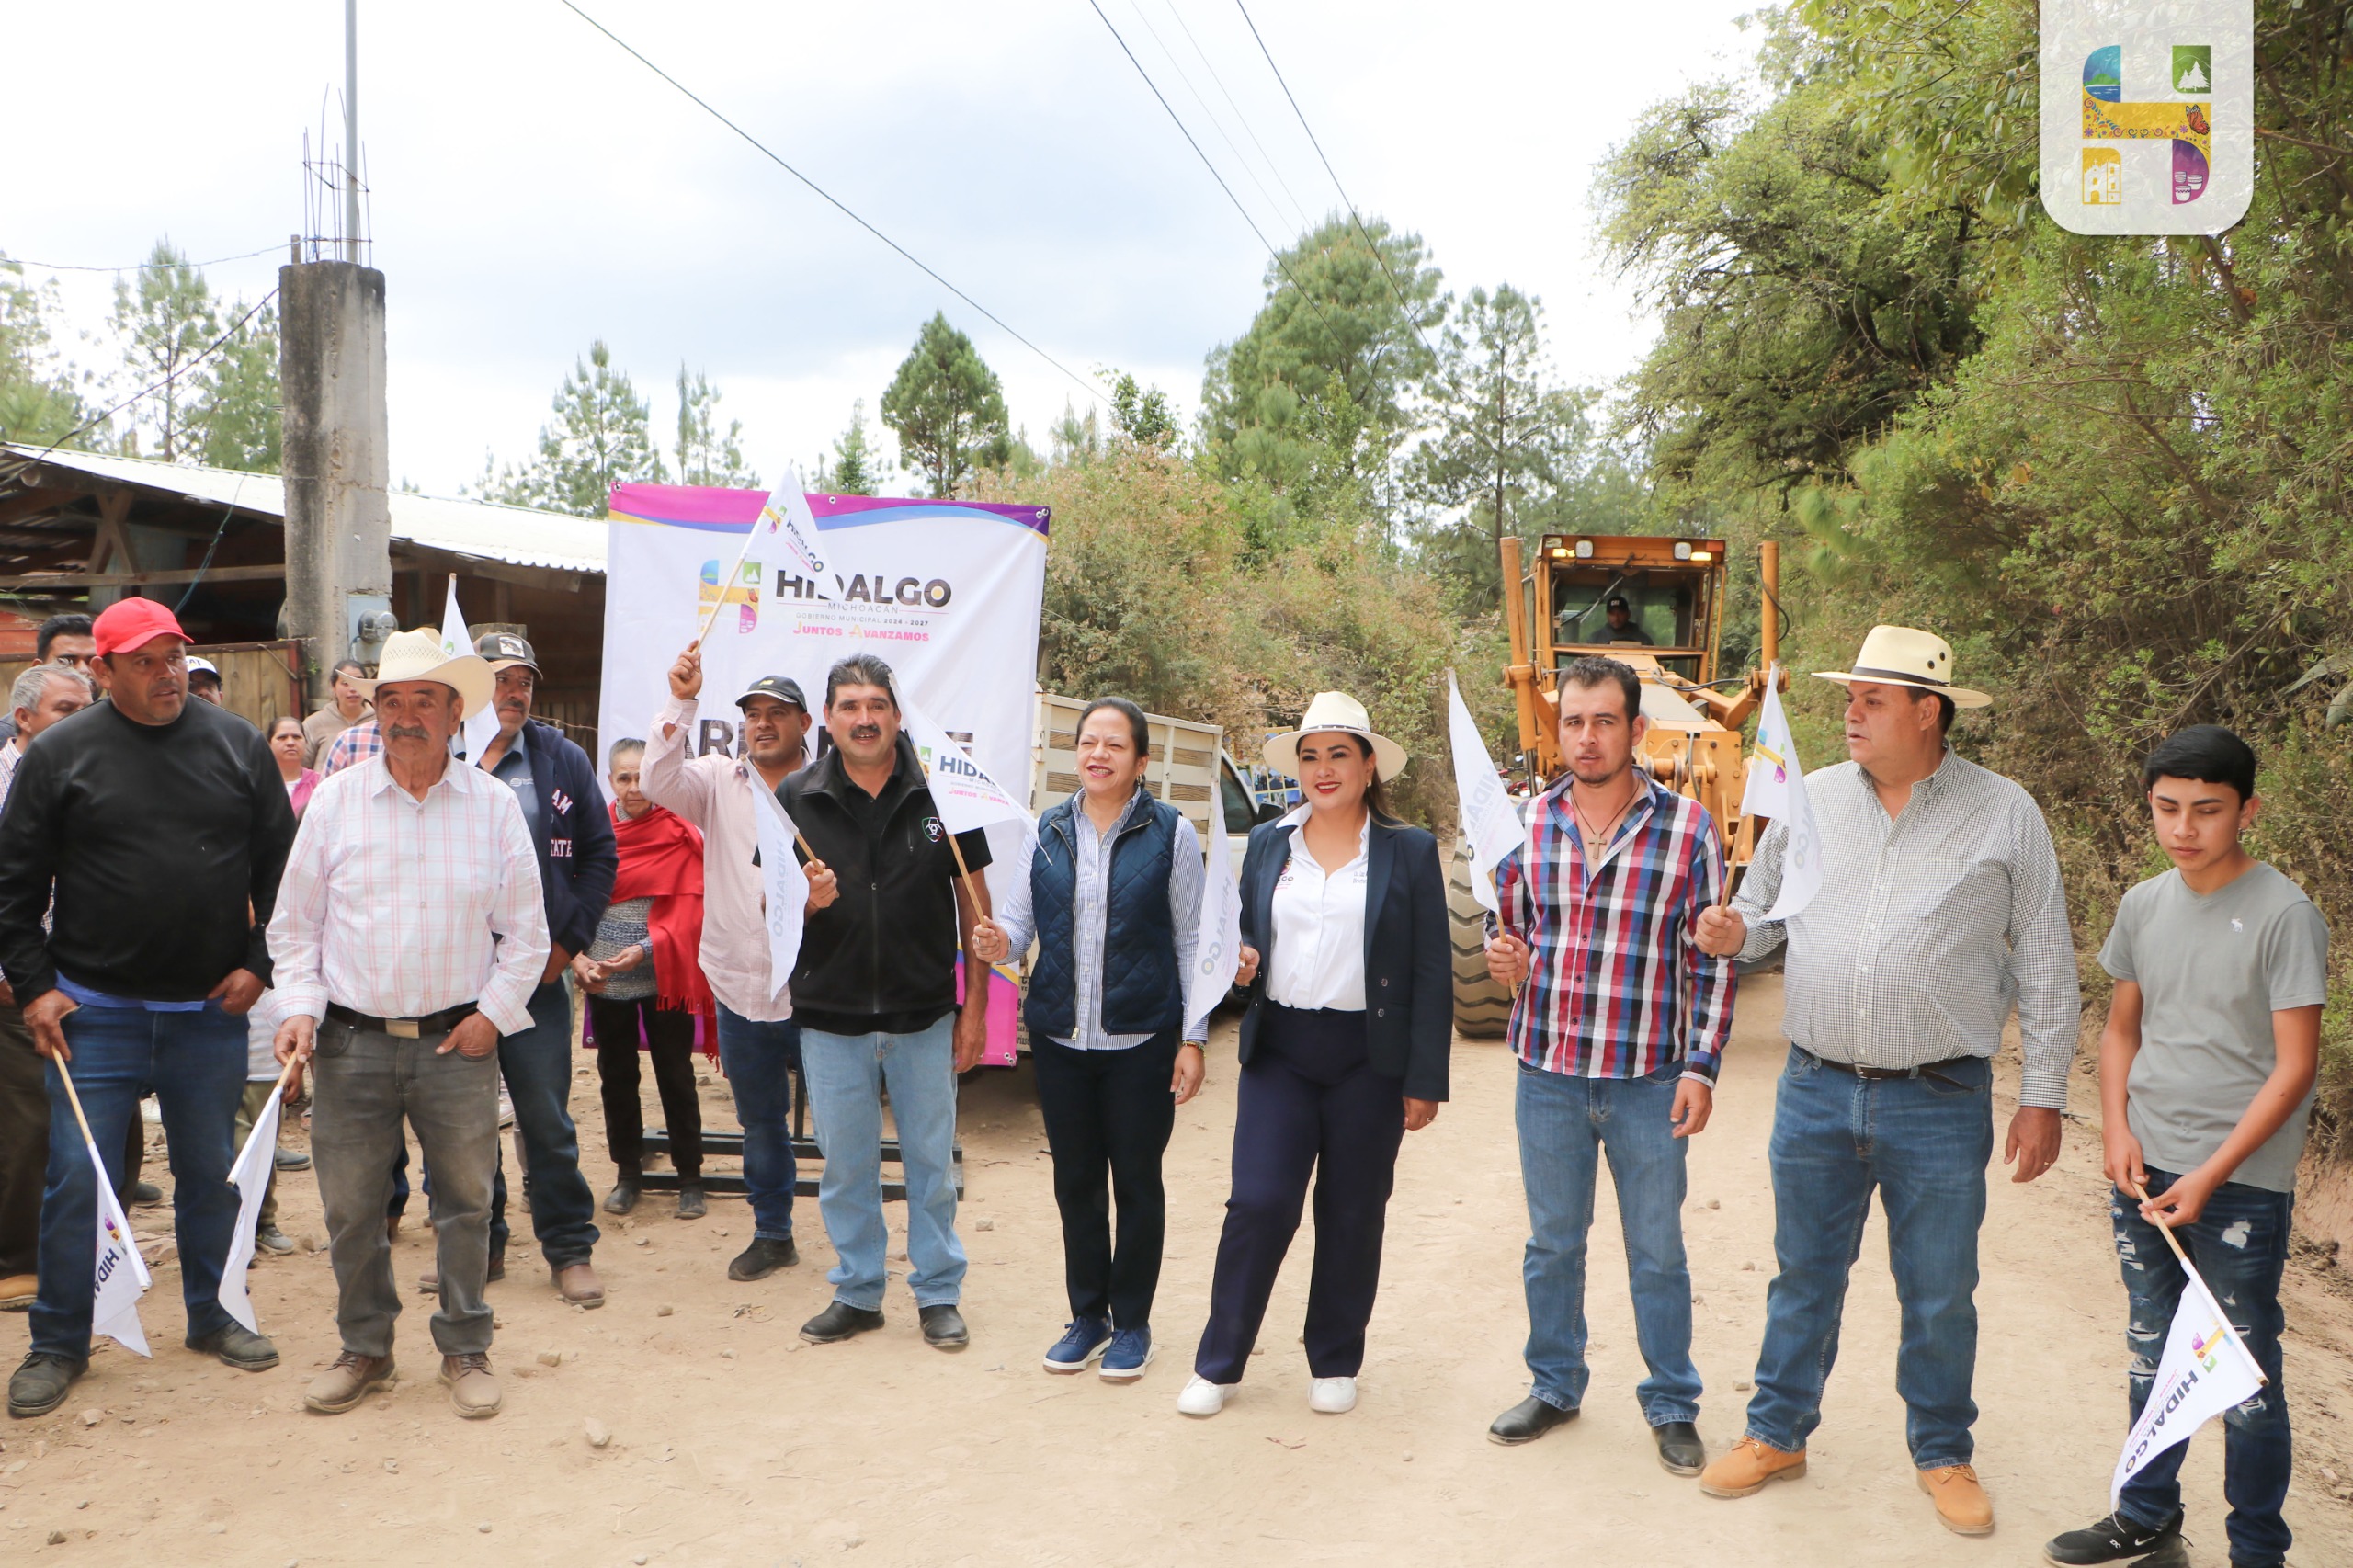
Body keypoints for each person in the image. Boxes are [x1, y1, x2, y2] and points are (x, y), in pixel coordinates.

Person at [1690, 625, 2079, 1536]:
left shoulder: (2005, 812)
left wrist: (2043, 1094)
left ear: (1925, 711)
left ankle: (1942, 1449)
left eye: (1870, 698)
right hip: (1815, 1086)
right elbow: (1764, 918)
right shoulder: (1812, 798)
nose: (1849, 712)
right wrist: (1730, 933)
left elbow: (2048, 962)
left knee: (1939, 1286)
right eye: (1848, 695)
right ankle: (1777, 1431)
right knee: (1804, 1273)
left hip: (1939, 1096)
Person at [0, 599, 295, 1419]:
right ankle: (58, 1341)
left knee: (210, 1176)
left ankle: (212, 1314)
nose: (168, 675)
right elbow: (13, 888)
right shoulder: (59, 756)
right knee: (76, 1184)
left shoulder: (235, 744)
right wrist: (35, 986)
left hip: (209, 1011)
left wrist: (259, 964)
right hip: (94, 1012)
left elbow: (283, 872)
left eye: (175, 658)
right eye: (146, 661)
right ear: (103, 671)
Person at [2043, 727, 2327, 1568]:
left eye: (2208, 810)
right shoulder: (2143, 904)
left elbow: (2295, 1067)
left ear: (2248, 810)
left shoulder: (2285, 914)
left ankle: (2256, 1550)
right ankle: (2144, 1515)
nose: (2184, 828)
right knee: (2150, 1349)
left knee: (2241, 1373)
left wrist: (2211, 1173)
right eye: (2168, 808)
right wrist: (2117, 1130)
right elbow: (2121, 1031)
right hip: (2146, 1167)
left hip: (2239, 1184)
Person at [267, 628, 548, 1421]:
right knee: (352, 1208)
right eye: (392, 701)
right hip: (350, 1042)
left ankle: (465, 1344)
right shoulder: (335, 800)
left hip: (459, 1043)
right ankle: (366, 1347)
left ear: (456, 713)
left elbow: (526, 933)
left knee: (465, 1202)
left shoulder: (492, 806)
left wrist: (492, 1019)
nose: (406, 716)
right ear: (374, 711)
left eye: (425, 700)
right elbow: (295, 927)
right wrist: (298, 1011)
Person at [1482, 656, 1735, 1473]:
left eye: (1603, 721)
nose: (1587, 737)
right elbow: (1513, 942)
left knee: (1657, 1250)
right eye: (1574, 722)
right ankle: (1554, 1386)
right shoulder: (1525, 824)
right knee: (1552, 1243)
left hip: (1649, 1080)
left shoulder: (1689, 828)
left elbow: (1712, 958)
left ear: (1637, 729)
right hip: (1548, 1073)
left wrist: (1701, 1066)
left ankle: (1671, 1402)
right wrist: (1505, 962)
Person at [1177, 691, 1449, 1419]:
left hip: (1370, 1056)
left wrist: (1425, 1078)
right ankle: (1219, 1362)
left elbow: (1431, 971)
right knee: (1259, 1203)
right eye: (1309, 756)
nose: (1323, 769)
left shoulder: (1411, 851)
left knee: (1354, 1209)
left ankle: (1334, 1357)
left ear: (1367, 767)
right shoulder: (1270, 842)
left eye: (1338, 754)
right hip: (1283, 1053)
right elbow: (1242, 938)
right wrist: (1240, 966)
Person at [970, 697, 1211, 1382]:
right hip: (1059, 1037)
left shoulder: (1172, 833)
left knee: (1136, 1181)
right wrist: (997, 941)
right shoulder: (1048, 829)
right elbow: (1018, 923)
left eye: (1113, 744)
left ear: (1140, 760)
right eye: (1087, 743)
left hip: (1141, 1039)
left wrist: (1192, 1037)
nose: (1097, 754)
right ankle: (1088, 1317)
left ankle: (1133, 1324)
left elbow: (1193, 938)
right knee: (1075, 1181)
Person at [779, 653, 991, 1351]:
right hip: (830, 1017)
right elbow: (771, 916)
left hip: (923, 1014)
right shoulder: (794, 798)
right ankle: (860, 1290)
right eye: (849, 706)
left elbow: (974, 908)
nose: (864, 718)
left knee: (931, 1161)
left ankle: (937, 1292)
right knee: (845, 1166)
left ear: (898, 716)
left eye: (877, 705)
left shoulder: (944, 794)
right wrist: (804, 906)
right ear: (829, 720)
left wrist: (976, 1009)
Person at [642, 648, 834, 1282]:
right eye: (753, 714)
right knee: (759, 1119)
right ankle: (773, 1233)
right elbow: (653, 783)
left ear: (807, 723)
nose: (762, 724)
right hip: (739, 980)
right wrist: (681, 702)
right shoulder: (717, 782)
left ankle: (857, 1247)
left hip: (820, 986)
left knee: (843, 1119)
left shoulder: (835, 789)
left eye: (777, 713)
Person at [462, 631, 615, 1308]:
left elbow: (598, 856)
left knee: (544, 1116)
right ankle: (476, 1247)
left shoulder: (562, 758)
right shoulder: (443, 755)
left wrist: (566, 945)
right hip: (452, 978)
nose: (516, 690)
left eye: (525, 678)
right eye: (501, 677)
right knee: (460, 1123)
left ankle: (568, 1247)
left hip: (538, 976)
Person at [579, 737, 713, 1221]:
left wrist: (646, 950)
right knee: (616, 1078)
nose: (635, 788)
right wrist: (583, 959)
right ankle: (628, 1174)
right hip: (606, 979)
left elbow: (693, 912)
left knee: (675, 1075)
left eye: (643, 777)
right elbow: (580, 901)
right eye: (624, 778)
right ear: (609, 781)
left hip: (664, 975)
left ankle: (690, 1177)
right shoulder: (593, 834)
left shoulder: (680, 832)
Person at [0, 662, 97, 1313]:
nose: (81, 720)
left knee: (101, 1127)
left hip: (92, 978)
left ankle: (94, 1252)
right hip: (15, 985)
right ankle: (20, 1261)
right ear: (24, 717)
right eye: (67, 709)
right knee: (27, 1125)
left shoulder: (98, 769)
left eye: (86, 707)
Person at [0, 615, 97, 745]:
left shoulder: (114, 730)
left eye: (92, 661)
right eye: (67, 661)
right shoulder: (4, 738)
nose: (84, 670)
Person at [301, 659, 372, 767]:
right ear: (333, 686)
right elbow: (302, 769)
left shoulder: (379, 721)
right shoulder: (314, 723)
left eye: (358, 682)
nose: (353, 689)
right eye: (345, 683)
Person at [267, 714, 321, 816]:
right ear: (269, 744)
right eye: (282, 738)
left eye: (296, 737)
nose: (290, 743)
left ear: (306, 742)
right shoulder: (258, 783)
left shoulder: (318, 783)